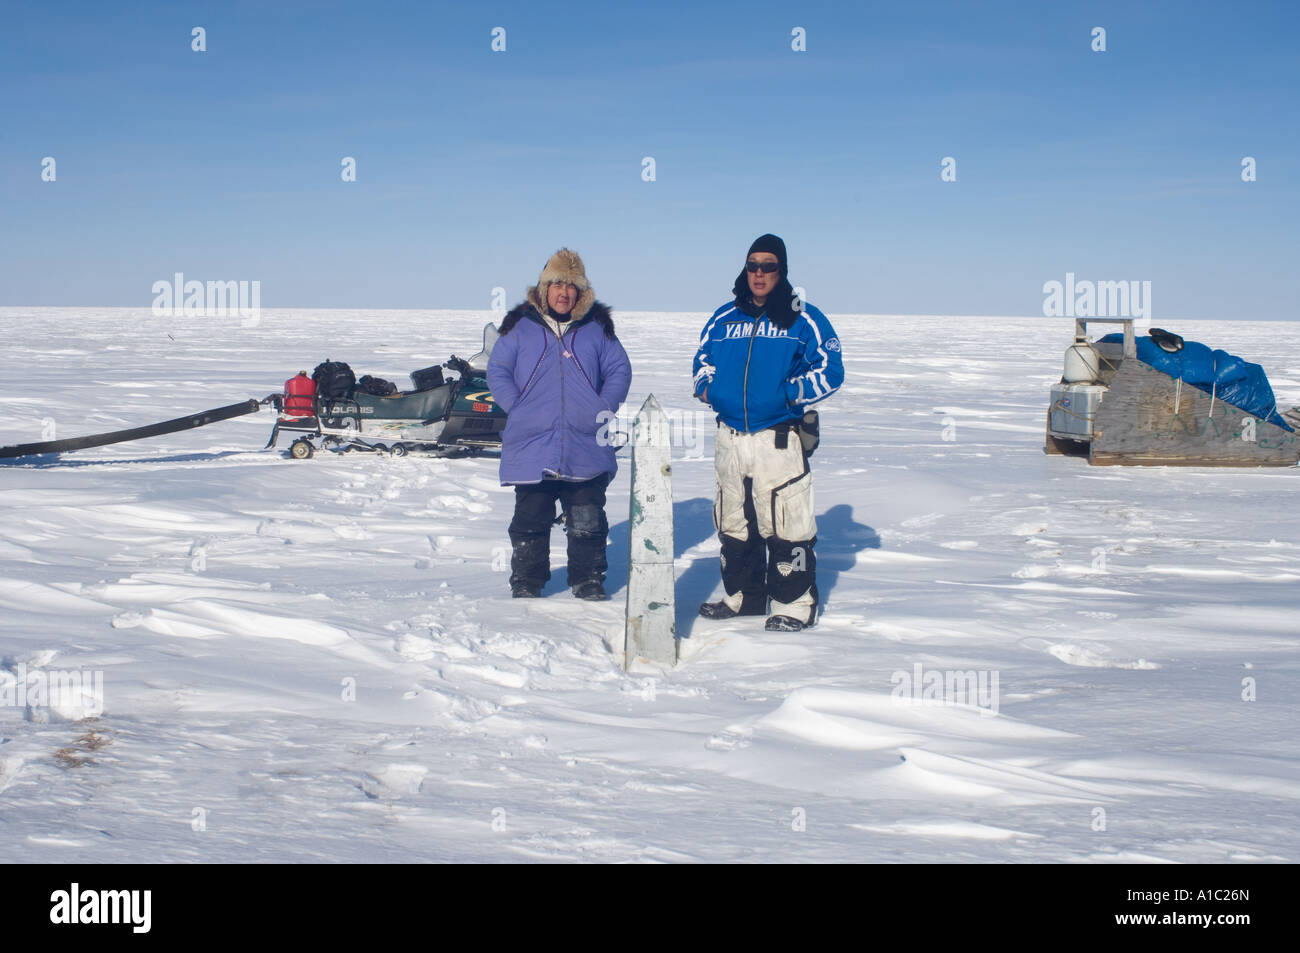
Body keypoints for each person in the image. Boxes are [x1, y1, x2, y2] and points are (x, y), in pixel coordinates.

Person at [692, 234, 844, 630]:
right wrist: (708, 388)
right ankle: (743, 598)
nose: (759, 273)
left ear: (782, 271)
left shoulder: (802, 317)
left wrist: (789, 393)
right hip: (730, 439)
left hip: (777, 439)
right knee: (734, 522)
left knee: (785, 522)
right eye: (753, 265)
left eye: (769, 266)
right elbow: (702, 359)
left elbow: (831, 369)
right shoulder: (724, 317)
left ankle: (793, 605)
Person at [486, 249, 632, 600]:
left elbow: (619, 370)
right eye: (556, 285)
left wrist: (603, 407)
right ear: (544, 288)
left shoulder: (596, 330)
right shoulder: (521, 328)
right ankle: (527, 580)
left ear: (581, 293)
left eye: (571, 286)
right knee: (531, 517)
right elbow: (498, 369)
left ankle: (588, 579)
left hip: (585, 440)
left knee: (586, 518)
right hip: (532, 441)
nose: (563, 292)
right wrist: (517, 406)